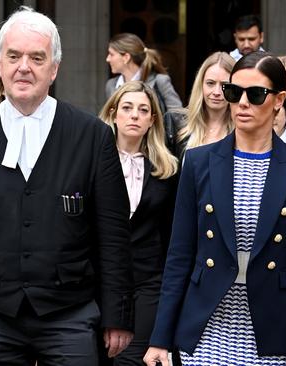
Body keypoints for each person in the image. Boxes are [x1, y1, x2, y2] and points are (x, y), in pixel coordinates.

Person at [0, 6, 134, 365]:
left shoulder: (92, 137)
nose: (23, 66)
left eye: (36, 57)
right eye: (14, 56)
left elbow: (113, 235)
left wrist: (118, 315)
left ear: (54, 68)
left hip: (70, 314)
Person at [144, 51, 286, 366]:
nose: (242, 103)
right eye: (234, 92)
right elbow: (179, 255)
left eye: (256, 94)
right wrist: (160, 339)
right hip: (206, 324)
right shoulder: (198, 161)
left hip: (271, 325)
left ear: (278, 99)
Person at [99, 81, 178, 365]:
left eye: (143, 110)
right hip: (99, 281)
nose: (135, 115)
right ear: (114, 113)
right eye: (128, 108)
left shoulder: (167, 169)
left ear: (152, 120)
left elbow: (170, 234)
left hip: (147, 282)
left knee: (132, 360)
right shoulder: (93, 163)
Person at [165, 52, 235, 161]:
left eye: (224, 86)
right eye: (210, 83)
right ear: (200, 84)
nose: (217, 92)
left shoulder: (243, 130)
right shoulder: (175, 123)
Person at [105, 33, 182, 113]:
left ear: (126, 57)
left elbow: (177, 115)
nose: (107, 59)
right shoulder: (111, 85)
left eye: (111, 54)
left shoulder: (159, 81)